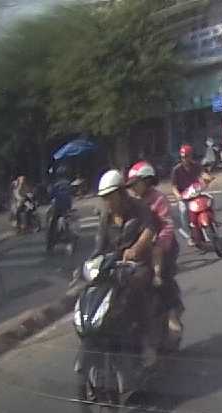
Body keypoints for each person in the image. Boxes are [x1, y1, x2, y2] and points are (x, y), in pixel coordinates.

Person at [91, 169, 162, 365]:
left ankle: (147, 342)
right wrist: (89, 263)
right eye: (104, 198)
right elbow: (99, 245)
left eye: (110, 196)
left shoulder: (138, 207)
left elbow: (150, 229)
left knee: (136, 288)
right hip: (114, 266)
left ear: (121, 193)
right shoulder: (106, 216)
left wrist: (136, 248)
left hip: (138, 263)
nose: (107, 201)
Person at [126, 162, 183, 342]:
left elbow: (167, 226)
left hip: (164, 245)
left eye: (136, 184)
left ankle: (172, 314)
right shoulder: (133, 202)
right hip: (142, 247)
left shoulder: (158, 199)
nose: (133, 188)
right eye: (131, 185)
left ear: (147, 181)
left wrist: (159, 244)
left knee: (161, 279)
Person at [171, 144, 212, 249]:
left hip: (196, 192)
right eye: (182, 157)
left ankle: (212, 220)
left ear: (191, 156)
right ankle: (190, 236)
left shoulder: (196, 166)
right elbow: (174, 187)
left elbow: (202, 174)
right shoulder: (176, 170)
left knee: (210, 200)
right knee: (184, 211)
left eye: (186, 156)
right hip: (184, 196)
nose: (184, 159)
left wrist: (208, 178)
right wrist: (178, 196)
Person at [46, 168, 74, 251]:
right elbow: (72, 192)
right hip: (68, 206)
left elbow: (51, 195)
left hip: (58, 206)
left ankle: (50, 243)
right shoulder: (68, 183)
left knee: (52, 222)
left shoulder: (55, 185)